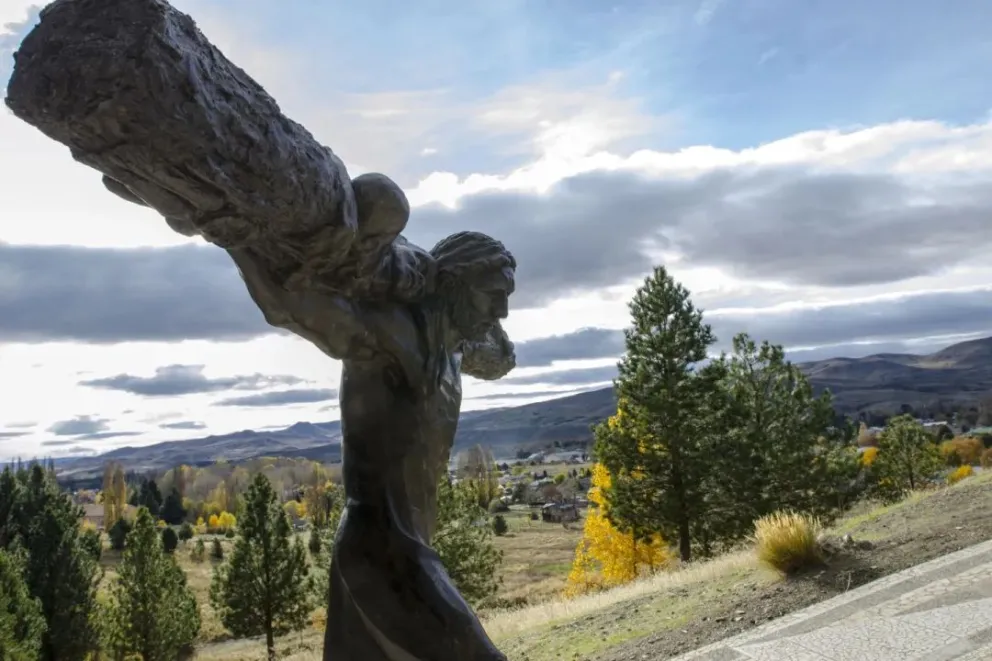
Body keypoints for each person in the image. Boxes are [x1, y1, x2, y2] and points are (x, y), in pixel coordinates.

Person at [108, 171, 516, 660]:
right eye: (493, 295)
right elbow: (291, 306)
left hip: (403, 547)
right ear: (450, 285)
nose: (502, 311)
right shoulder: (394, 337)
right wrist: (227, 230)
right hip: (383, 550)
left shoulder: (454, 350)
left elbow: (500, 353)